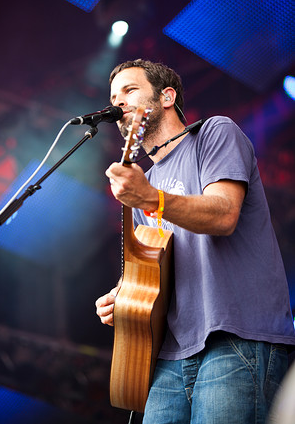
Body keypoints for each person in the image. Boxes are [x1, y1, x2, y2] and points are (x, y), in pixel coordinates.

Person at [95, 59, 295, 424]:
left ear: (166, 96)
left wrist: (150, 198)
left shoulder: (215, 133)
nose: (118, 102)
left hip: (236, 336)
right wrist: (124, 295)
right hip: (170, 356)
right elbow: (158, 269)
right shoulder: (147, 183)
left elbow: (223, 214)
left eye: (130, 90)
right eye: (113, 96)